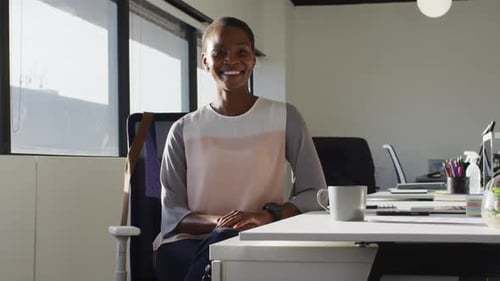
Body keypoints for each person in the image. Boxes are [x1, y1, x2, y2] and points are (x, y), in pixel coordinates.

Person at [154, 16, 326, 281]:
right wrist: (223, 223)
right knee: (224, 252)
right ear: (205, 61)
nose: (231, 60)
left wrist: (264, 216)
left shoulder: (285, 117)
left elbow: (315, 193)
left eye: (241, 52)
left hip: (262, 236)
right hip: (190, 242)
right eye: (219, 53)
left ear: (253, 59)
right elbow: (173, 214)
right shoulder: (183, 129)